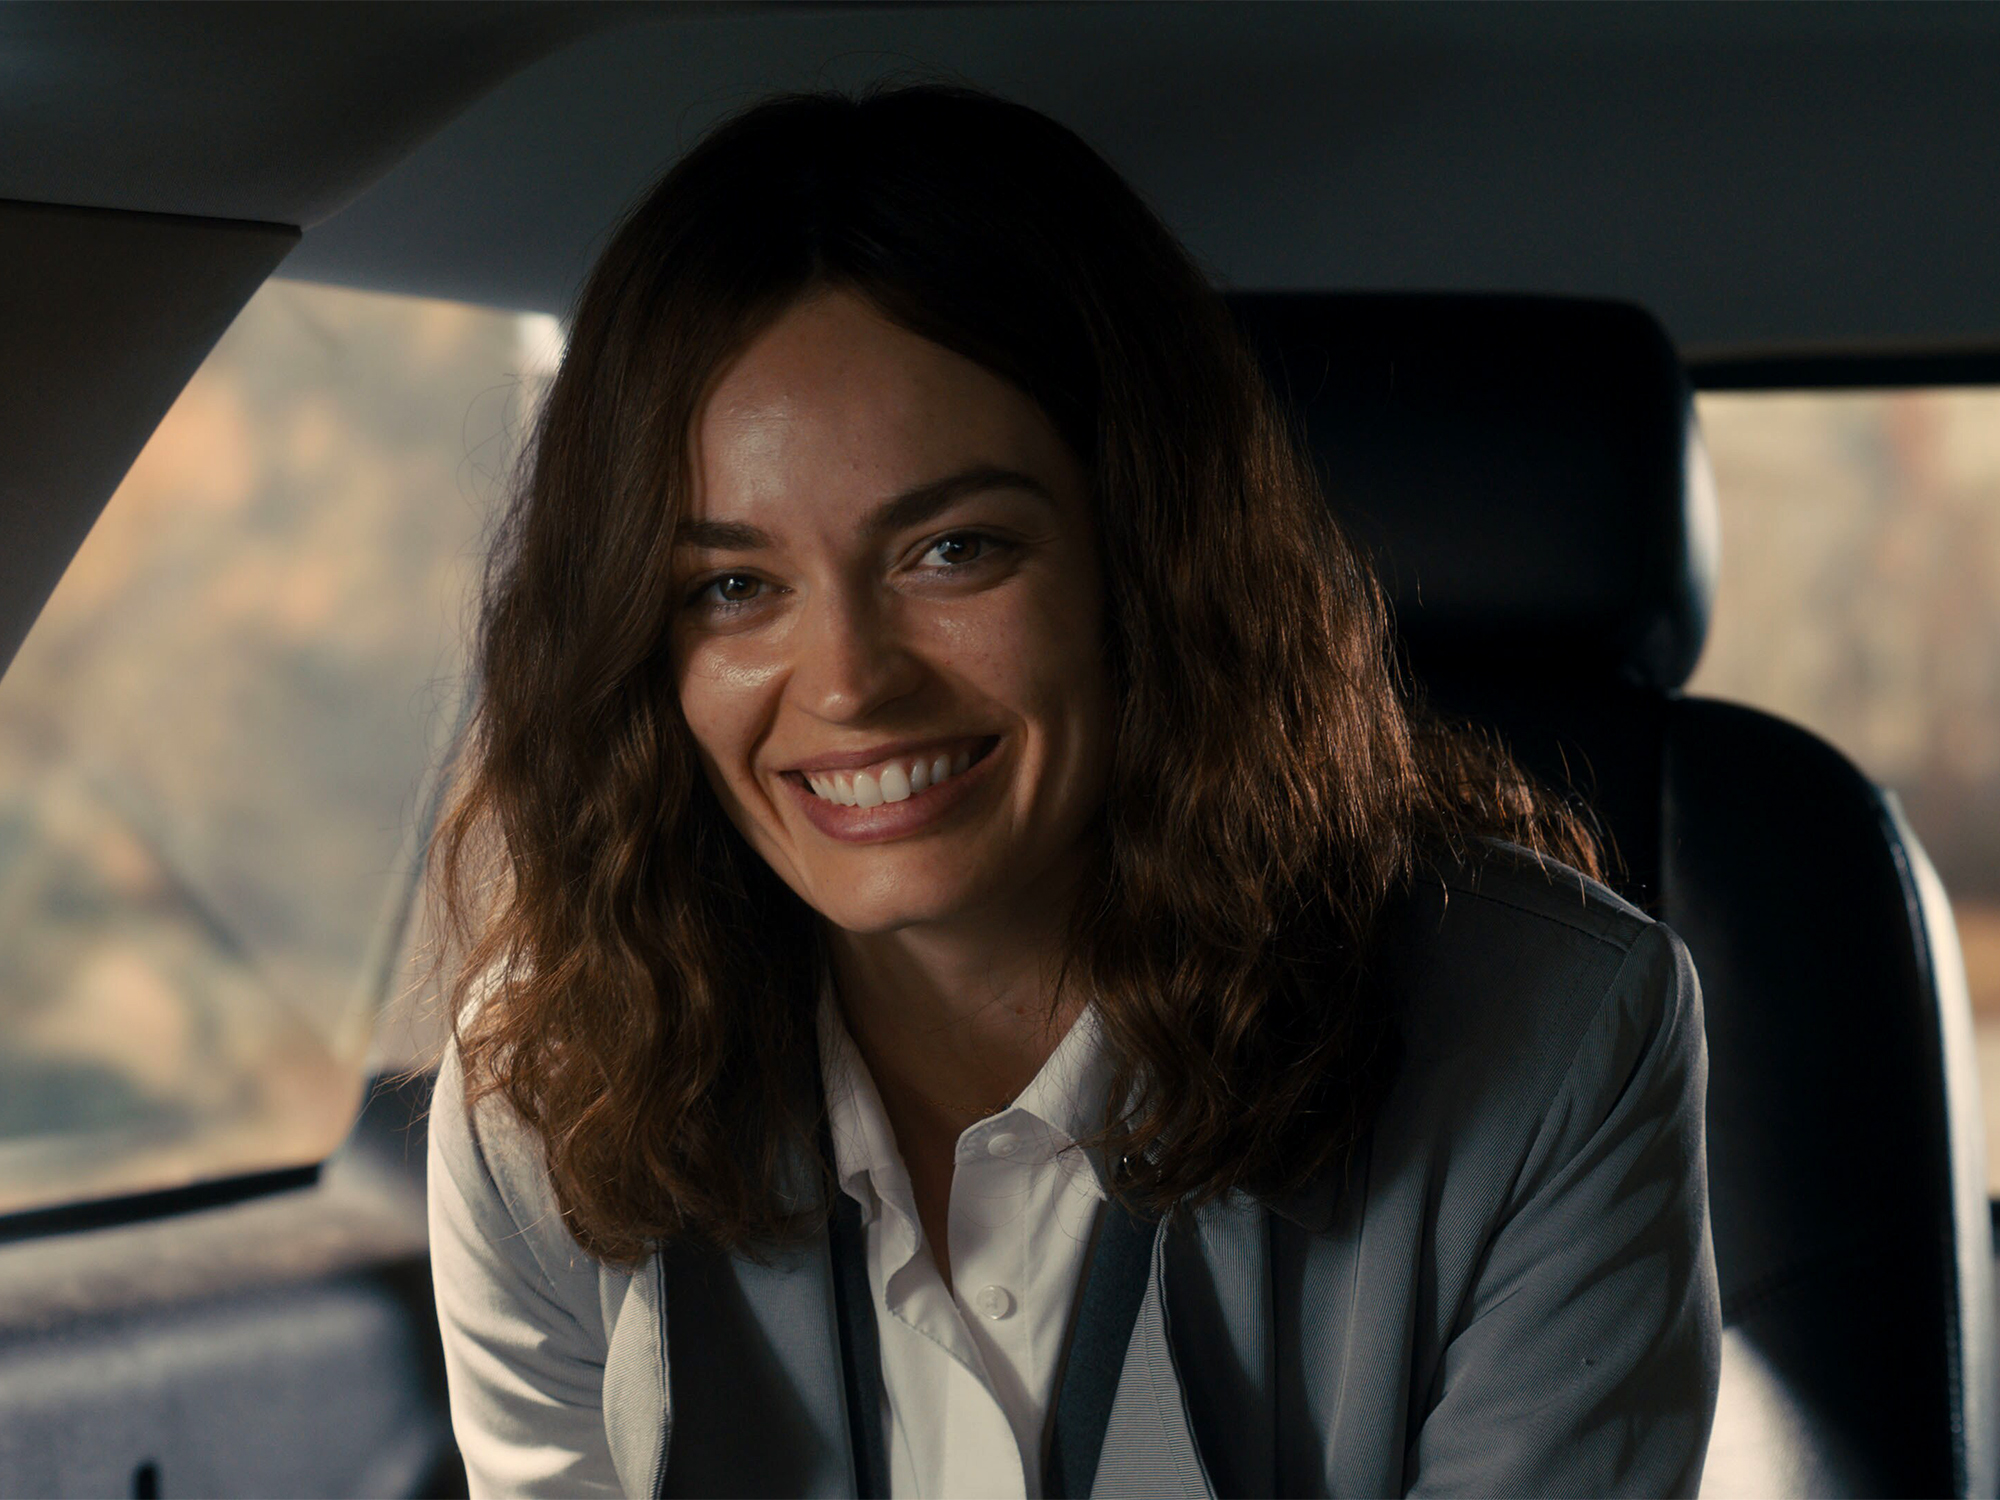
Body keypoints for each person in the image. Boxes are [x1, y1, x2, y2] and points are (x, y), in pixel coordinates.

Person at [424, 84, 1721, 1499]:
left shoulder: (1555, 1048)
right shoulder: (548, 1103)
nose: (849, 682)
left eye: (955, 551)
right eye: (734, 586)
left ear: (1146, 560)